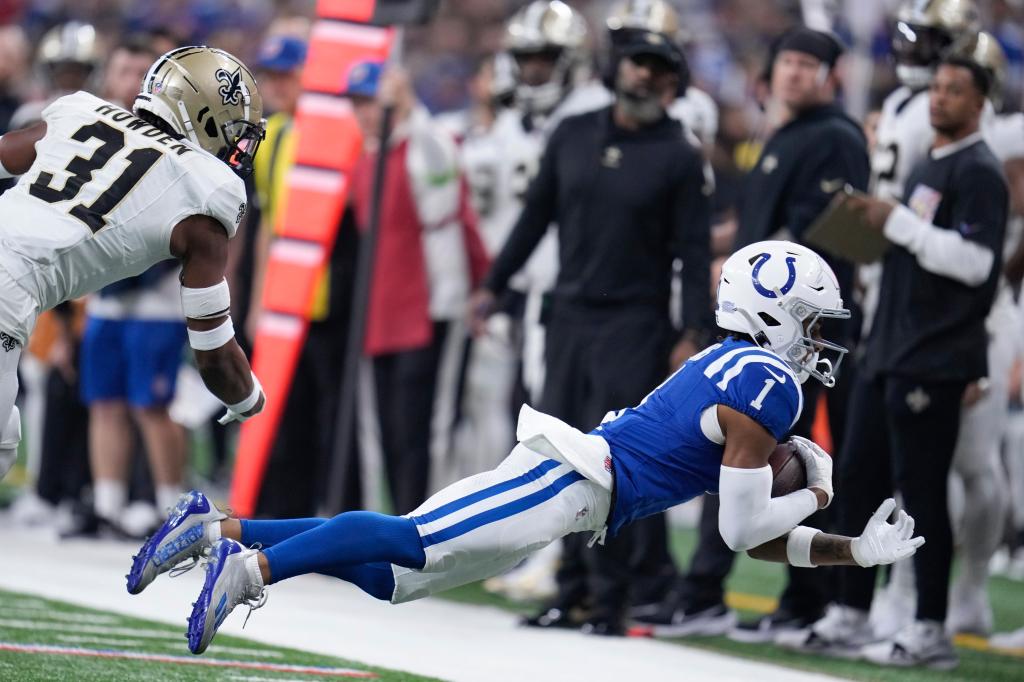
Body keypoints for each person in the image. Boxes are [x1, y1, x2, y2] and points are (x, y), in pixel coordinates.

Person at [127, 240, 925, 656]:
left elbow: (757, 532)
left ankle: (220, 530)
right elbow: (740, 532)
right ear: (776, 314)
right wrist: (818, 489)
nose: (820, 345)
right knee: (411, 539)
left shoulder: (739, 368)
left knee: (388, 578)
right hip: (569, 482)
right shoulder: (765, 383)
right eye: (815, 326)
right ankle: (254, 568)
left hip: (574, 496)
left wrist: (854, 550)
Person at [470, 2, 713, 635]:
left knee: (613, 463)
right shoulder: (574, 134)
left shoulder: (680, 156)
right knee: (557, 455)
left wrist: (692, 333)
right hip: (568, 317)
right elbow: (534, 219)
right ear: (617, 68)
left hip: (635, 324)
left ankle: (614, 598)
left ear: (673, 83)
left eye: (658, 70)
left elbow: (692, 251)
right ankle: (571, 588)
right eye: (636, 64)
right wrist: (492, 287)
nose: (644, 77)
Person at [637, 25, 870, 641]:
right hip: (772, 326)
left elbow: (814, 241)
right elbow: (764, 229)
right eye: (787, 60)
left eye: (807, 63)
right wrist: (715, 244)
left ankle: (781, 596)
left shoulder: (835, 137)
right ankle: (738, 592)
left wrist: (745, 276)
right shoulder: (786, 134)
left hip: (804, 332)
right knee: (749, 453)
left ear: (829, 76)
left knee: (788, 456)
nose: (794, 72)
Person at [785, 57, 1007, 670]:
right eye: (936, 87)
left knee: (923, 494)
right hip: (889, 348)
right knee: (859, 478)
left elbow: (975, 264)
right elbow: (914, 248)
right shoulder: (930, 164)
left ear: (981, 101)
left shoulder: (981, 171)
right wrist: (872, 230)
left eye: (955, 90)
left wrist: (898, 223)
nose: (939, 98)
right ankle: (853, 611)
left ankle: (931, 626)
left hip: (934, 357)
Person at [0, 46, 268, 485]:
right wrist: (248, 399)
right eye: (233, 128)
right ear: (203, 116)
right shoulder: (206, 188)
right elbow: (215, 355)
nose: (237, 144)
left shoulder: (83, 111)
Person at [79, 38, 193, 535]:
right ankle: (107, 504)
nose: (129, 81)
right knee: (104, 399)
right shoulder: (94, 128)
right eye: (122, 69)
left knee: (152, 404)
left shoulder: (177, 142)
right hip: (107, 291)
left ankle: (173, 509)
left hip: (157, 292)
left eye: (138, 71)